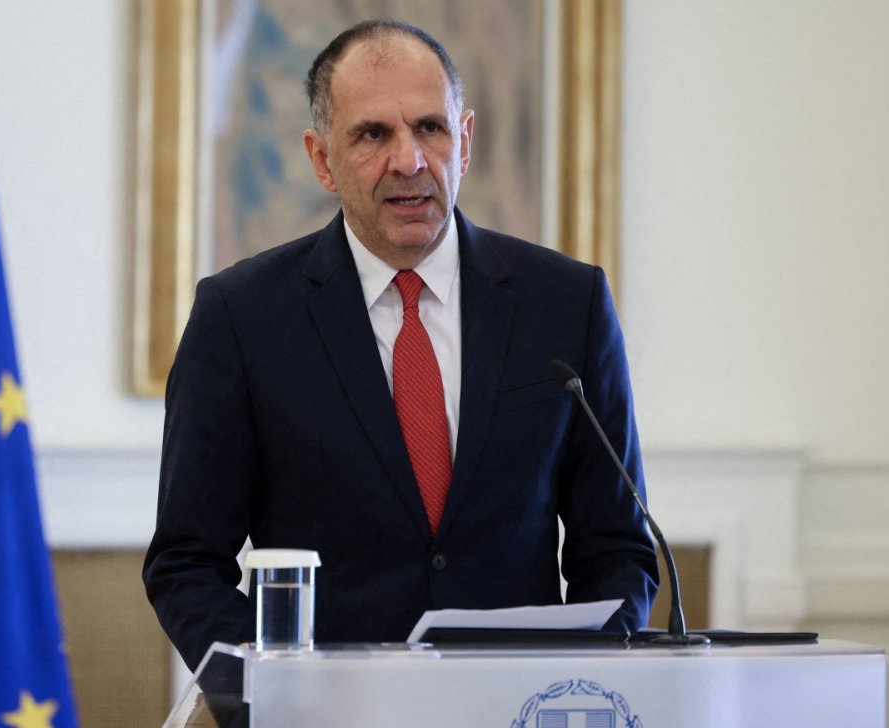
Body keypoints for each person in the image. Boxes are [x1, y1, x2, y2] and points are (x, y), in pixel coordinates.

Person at [143, 19, 658, 672]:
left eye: (430, 128)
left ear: (464, 141)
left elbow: (617, 548)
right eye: (372, 134)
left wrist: (578, 687)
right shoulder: (241, 317)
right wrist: (267, 699)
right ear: (322, 159)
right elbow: (186, 562)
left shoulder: (565, 304)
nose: (409, 161)